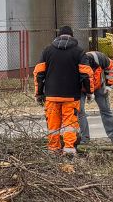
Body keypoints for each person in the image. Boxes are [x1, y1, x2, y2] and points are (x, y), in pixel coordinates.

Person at [34, 26, 92, 157]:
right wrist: (89, 92)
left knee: (53, 125)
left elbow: (39, 74)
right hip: (71, 96)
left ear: (58, 36)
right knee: (70, 123)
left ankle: (53, 149)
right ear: (72, 36)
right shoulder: (79, 52)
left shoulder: (47, 51)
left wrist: (38, 93)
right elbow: (86, 74)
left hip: (51, 96)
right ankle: (69, 149)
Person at [78, 46, 113, 146]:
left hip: (98, 86)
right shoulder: (77, 63)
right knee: (80, 112)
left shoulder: (100, 58)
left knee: (106, 110)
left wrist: (108, 85)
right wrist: (89, 93)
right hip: (80, 89)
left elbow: (110, 67)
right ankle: (85, 139)